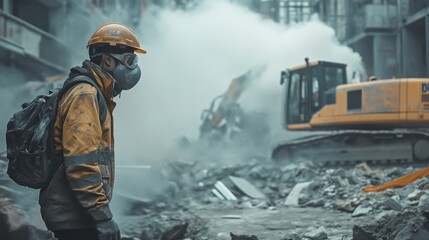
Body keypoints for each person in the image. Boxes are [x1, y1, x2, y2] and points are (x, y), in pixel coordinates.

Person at [38, 23, 146, 240]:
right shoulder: (85, 94)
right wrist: (102, 216)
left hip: (77, 213)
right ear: (108, 60)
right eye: (130, 60)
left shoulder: (93, 93)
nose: (134, 68)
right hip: (75, 216)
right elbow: (81, 164)